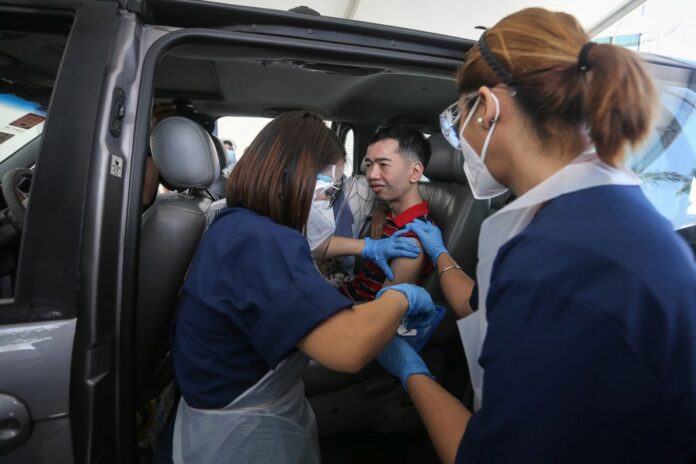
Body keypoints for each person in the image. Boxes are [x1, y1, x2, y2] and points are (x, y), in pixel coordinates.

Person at [375, 7, 696, 463]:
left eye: (456, 118)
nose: (459, 140)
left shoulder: (556, 257)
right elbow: (480, 305)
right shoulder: (591, 211)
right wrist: (442, 255)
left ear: (486, 108)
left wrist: (413, 373)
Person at [170, 111, 439, 463]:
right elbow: (347, 347)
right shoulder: (264, 241)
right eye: (328, 188)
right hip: (241, 435)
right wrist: (402, 297)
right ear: (294, 175)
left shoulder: (235, 222)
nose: (329, 200)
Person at [312, 126, 434, 301]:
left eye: (384, 164)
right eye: (369, 165)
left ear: (414, 172)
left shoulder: (412, 238)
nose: (371, 175)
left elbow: (385, 311)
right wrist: (381, 209)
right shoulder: (388, 211)